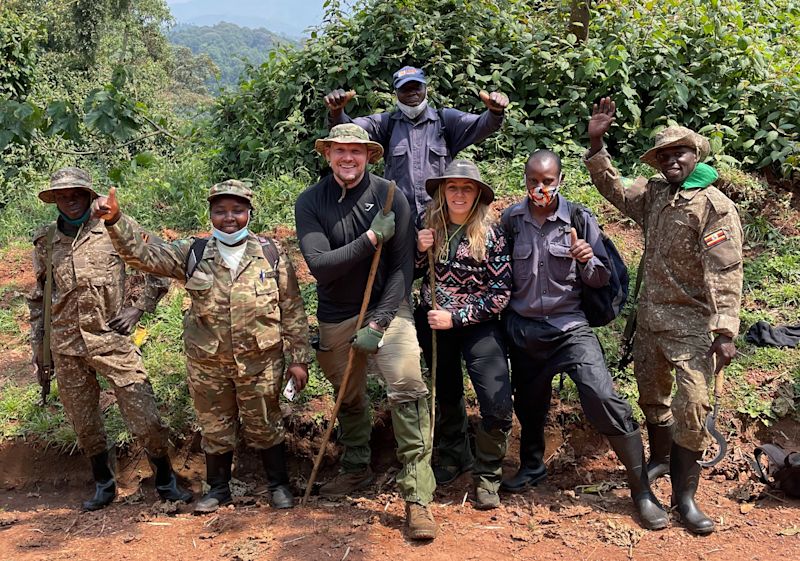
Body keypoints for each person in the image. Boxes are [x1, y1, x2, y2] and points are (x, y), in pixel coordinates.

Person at [92, 180, 312, 512]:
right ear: (210, 214)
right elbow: (140, 255)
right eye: (221, 211)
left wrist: (299, 358)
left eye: (237, 210)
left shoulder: (271, 253)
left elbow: (292, 308)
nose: (229, 218)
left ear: (249, 213)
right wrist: (115, 220)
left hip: (261, 361)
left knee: (265, 423)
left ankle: (278, 485)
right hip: (208, 363)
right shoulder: (192, 252)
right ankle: (219, 489)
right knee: (215, 427)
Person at [585, 98, 744, 534]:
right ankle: (658, 460)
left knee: (692, 405)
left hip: (693, 327)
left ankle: (685, 497)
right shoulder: (653, 195)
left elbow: (725, 271)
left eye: (680, 153)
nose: (672, 160)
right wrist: (597, 143)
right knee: (652, 398)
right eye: (664, 156)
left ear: (696, 156)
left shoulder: (714, 206)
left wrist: (725, 330)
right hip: (650, 323)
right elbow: (614, 188)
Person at [500, 150, 668, 531]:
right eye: (533, 181)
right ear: (525, 180)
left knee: (602, 395)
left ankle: (641, 489)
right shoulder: (512, 219)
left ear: (559, 180)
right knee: (528, 402)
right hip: (524, 329)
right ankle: (532, 466)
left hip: (569, 328)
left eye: (547, 181)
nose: (539, 188)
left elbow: (601, 280)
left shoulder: (578, 219)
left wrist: (586, 258)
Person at [295, 124, 437, 540]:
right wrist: (371, 236)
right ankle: (357, 464)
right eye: (340, 150)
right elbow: (320, 264)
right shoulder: (310, 202)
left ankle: (418, 496)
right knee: (347, 390)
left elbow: (401, 269)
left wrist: (379, 321)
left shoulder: (393, 196)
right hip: (336, 314)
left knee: (408, 382)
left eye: (356, 151)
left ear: (369, 156)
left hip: (388, 309)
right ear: (328, 155)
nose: (348, 158)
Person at [28, 167, 191, 511]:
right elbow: (39, 298)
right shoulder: (45, 242)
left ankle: (165, 479)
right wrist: (39, 351)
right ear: (53, 199)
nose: (69, 201)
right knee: (84, 423)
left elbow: (158, 265)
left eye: (76, 194)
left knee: (144, 415)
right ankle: (104, 484)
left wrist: (138, 309)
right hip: (66, 345)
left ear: (89, 195)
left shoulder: (113, 227)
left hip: (111, 338)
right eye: (62, 195)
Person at [414, 159, 513, 510]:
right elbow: (410, 272)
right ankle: (455, 455)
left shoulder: (491, 233)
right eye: (452, 187)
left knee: (496, 402)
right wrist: (418, 249)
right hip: (433, 322)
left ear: (477, 195)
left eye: (466, 188)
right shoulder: (427, 224)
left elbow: (500, 293)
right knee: (447, 391)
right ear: (443, 191)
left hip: (477, 324)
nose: (458, 194)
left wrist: (456, 318)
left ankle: (487, 475)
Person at [324, 65, 509, 216]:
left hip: (440, 216)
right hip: (399, 218)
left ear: (425, 89)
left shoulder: (446, 120)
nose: (412, 93)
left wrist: (495, 111)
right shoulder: (385, 124)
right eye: (405, 89)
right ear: (396, 93)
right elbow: (348, 133)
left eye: (416, 87)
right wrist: (336, 111)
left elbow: (482, 125)